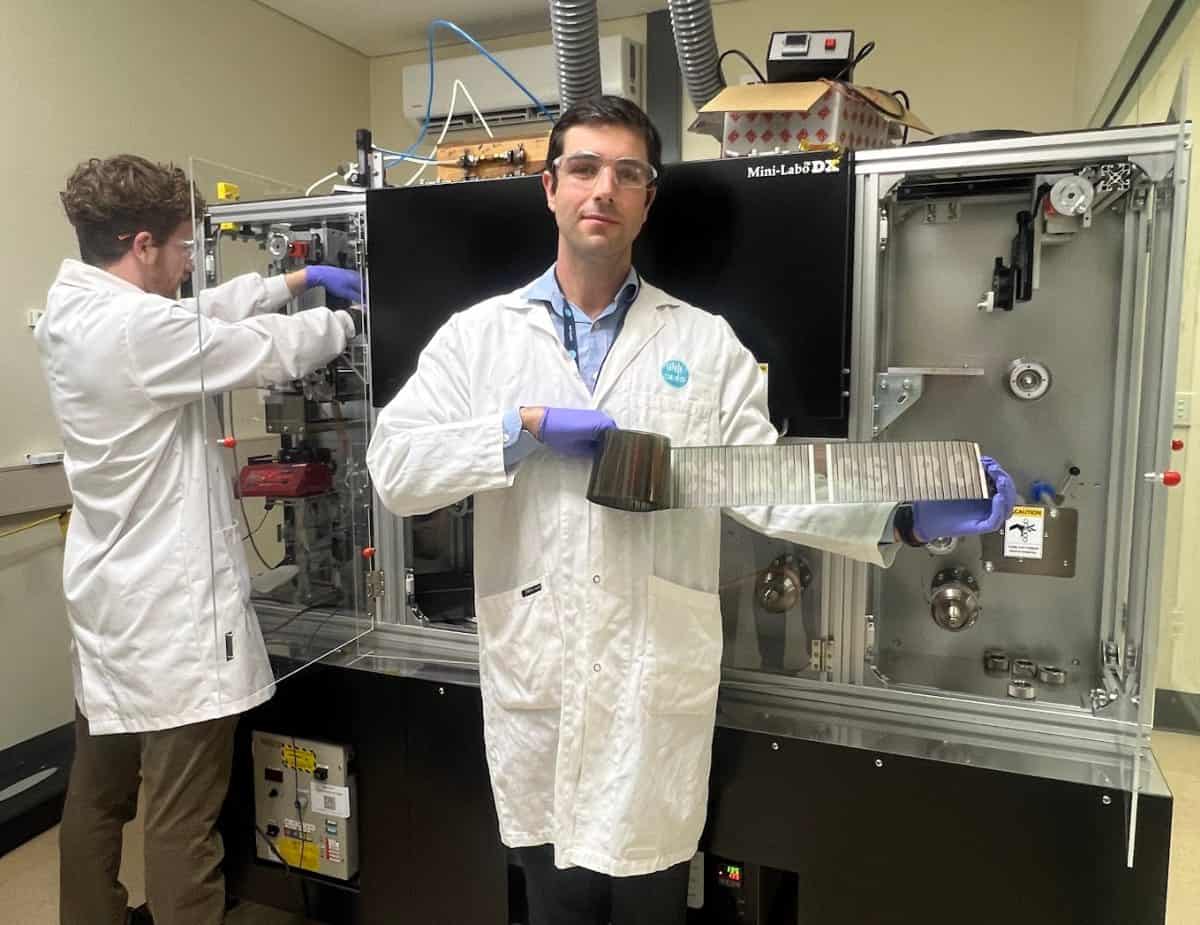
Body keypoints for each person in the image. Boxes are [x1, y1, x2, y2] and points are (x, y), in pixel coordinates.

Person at [366, 97, 1015, 925]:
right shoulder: (477, 339)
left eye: (627, 173)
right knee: (555, 903)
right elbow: (395, 468)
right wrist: (517, 429)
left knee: (651, 906)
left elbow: (764, 481)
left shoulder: (703, 344)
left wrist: (904, 516)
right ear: (551, 188)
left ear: (647, 198)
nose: (604, 188)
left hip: (651, 694)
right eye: (584, 168)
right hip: (541, 693)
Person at [36, 154, 364, 925]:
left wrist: (286, 281)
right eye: (185, 246)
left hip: (111, 613)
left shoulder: (75, 310)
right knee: (183, 821)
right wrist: (347, 321)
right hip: (172, 622)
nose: (191, 263)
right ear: (143, 243)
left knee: (97, 800)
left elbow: (198, 315)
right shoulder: (132, 329)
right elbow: (265, 351)